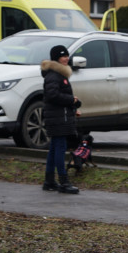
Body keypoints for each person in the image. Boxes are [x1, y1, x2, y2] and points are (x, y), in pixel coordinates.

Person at [40, 45, 79, 194]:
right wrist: (71, 100)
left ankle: (49, 181)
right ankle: (63, 182)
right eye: (63, 56)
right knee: (60, 149)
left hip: (59, 116)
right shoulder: (54, 76)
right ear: (56, 58)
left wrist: (74, 105)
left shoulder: (59, 75)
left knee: (54, 149)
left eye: (67, 56)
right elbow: (52, 96)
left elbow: (58, 96)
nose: (66, 58)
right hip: (57, 118)